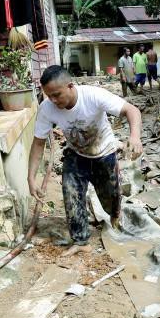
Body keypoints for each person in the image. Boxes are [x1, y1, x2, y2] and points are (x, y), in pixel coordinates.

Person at [28, 65, 143, 256]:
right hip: (76, 155)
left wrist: (135, 136)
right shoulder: (47, 108)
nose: (53, 100)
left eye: (57, 95)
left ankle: (115, 215)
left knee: (111, 199)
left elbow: (132, 110)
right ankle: (81, 240)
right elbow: (38, 143)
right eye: (49, 96)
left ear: (70, 86)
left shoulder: (93, 96)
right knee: (71, 194)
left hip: (104, 154)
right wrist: (30, 178)